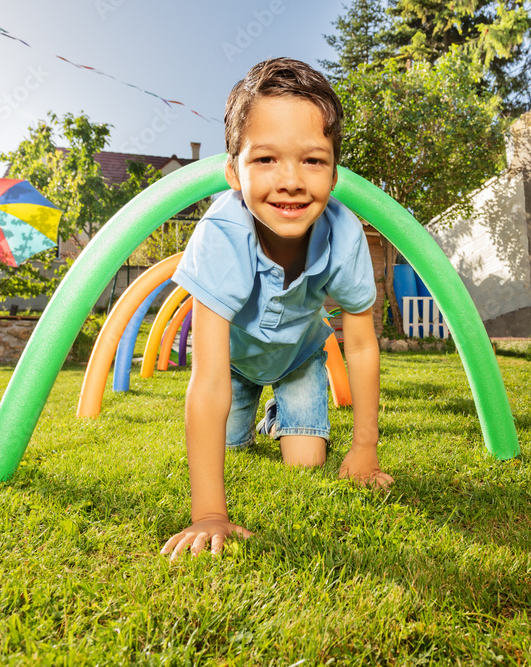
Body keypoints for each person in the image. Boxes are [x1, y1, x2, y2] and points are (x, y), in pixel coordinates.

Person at [161, 57, 393, 559]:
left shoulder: (345, 234)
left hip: (300, 358)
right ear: (233, 172)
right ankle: (256, 416)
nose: (290, 180)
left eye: (312, 160)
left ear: (335, 173)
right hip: (235, 366)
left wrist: (364, 449)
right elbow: (206, 379)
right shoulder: (221, 236)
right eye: (265, 160)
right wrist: (209, 514)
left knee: (307, 461)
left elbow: (360, 342)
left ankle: (281, 412)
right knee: (225, 448)